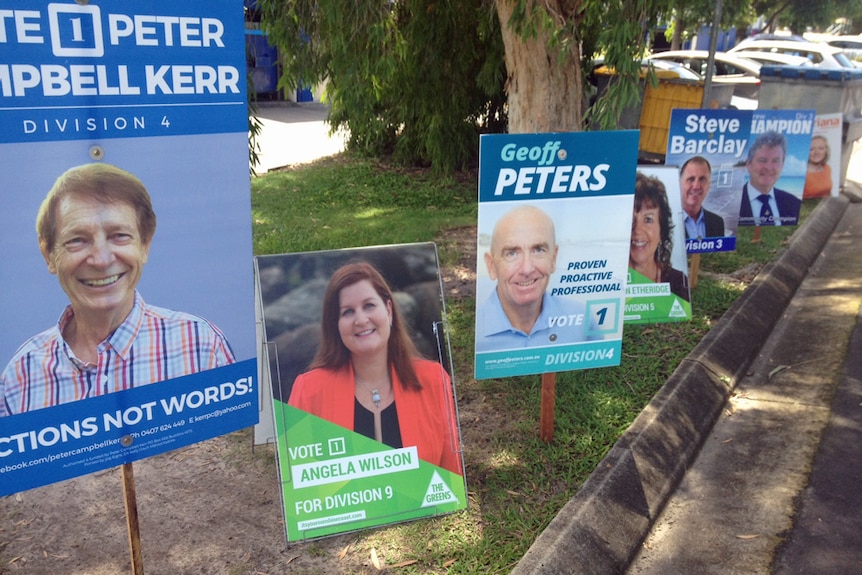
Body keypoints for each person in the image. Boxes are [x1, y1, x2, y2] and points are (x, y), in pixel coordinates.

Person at [1, 163, 235, 417]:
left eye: (119, 235)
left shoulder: (201, 347)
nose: (101, 259)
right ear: (48, 254)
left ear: (145, 244)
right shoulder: (19, 377)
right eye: (77, 240)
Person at [288, 261, 463, 475]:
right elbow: (300, 488)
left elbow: (451, 478)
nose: (361, 319)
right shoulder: (308, 392)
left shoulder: (434, 379)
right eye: (347, 312)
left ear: (388, 311)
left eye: (369, 305)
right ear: (336, 324)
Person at [475, 204, 589, 352]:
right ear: (491, 266)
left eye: (538, 250)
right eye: (511, 253)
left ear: (553, 259)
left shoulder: (582, 319)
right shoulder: (476, 336)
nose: (527, 269)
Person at [629, 172, 690, 302]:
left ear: (662, 230)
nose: (637, 230)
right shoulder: (608, 283)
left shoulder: (678, 282)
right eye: (630, 220)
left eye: (648, 219)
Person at [739, 131, 802, 226]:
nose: (768, 167)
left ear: (782, 165)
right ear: (748, 165)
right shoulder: (733, 204)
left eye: (775, 161)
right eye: (762, 160)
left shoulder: (794, 204)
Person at [679, 156, 725, 239]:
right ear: (680, 183)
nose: (696, 186)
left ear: (709, 185)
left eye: (702, 179)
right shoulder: (666, 222)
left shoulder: (717, 222)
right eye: (691, 179)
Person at [803, 135, 833, 199]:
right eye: (811, 149)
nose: (816, 152)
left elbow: (828, 192)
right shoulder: (801, 173)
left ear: (826, 150)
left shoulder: (827, 168)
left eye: (821, 148)